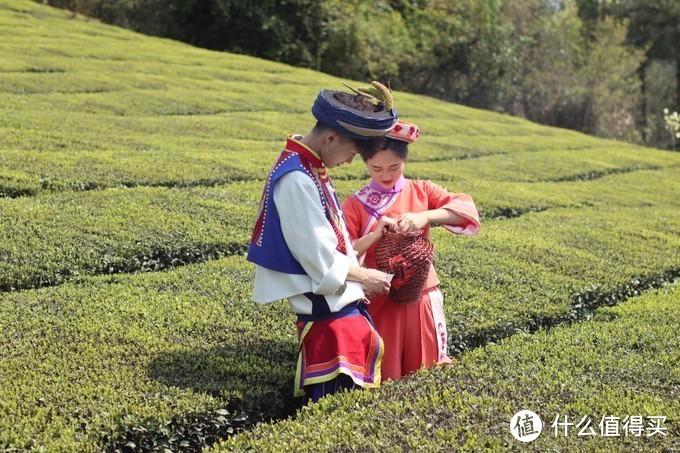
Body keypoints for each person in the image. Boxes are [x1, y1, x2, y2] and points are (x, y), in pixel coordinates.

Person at [247, 82, 398, 404]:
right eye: (352, 154)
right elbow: (317, 258)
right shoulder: (297, 178)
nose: (348, 162)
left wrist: (370, 239)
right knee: (335, 406)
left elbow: (329, 242)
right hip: (329, 320)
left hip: (339, 311)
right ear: (331, 139)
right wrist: (367, 276)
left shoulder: (308, 167)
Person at [341, 120, 481, 381]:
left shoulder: (422, 190)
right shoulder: (354, 204)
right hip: (380, 295)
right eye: (376, 168)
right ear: (365, 165)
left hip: (422, 294)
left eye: (394, 167)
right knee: (386, 373)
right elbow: (343, 250)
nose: (385, 175)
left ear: (404, 161)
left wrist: (426, 216)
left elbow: (465, 208)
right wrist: (374, 235)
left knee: (425, 370)